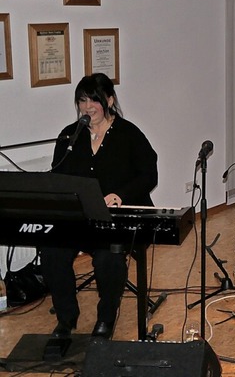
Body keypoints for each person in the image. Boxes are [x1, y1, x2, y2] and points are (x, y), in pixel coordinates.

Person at [41, 73, 158, 340]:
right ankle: (66, 318)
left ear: (109, 100)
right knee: (51, 252)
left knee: (109, 256)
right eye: (82, 101)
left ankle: (106, 318)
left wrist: (120, 194)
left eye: (94, 100)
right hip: (81, 218)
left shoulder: (129, 134)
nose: (87, 107)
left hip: (118, 217)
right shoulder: (70, 136)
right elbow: (57, 176)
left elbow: (148, 175)